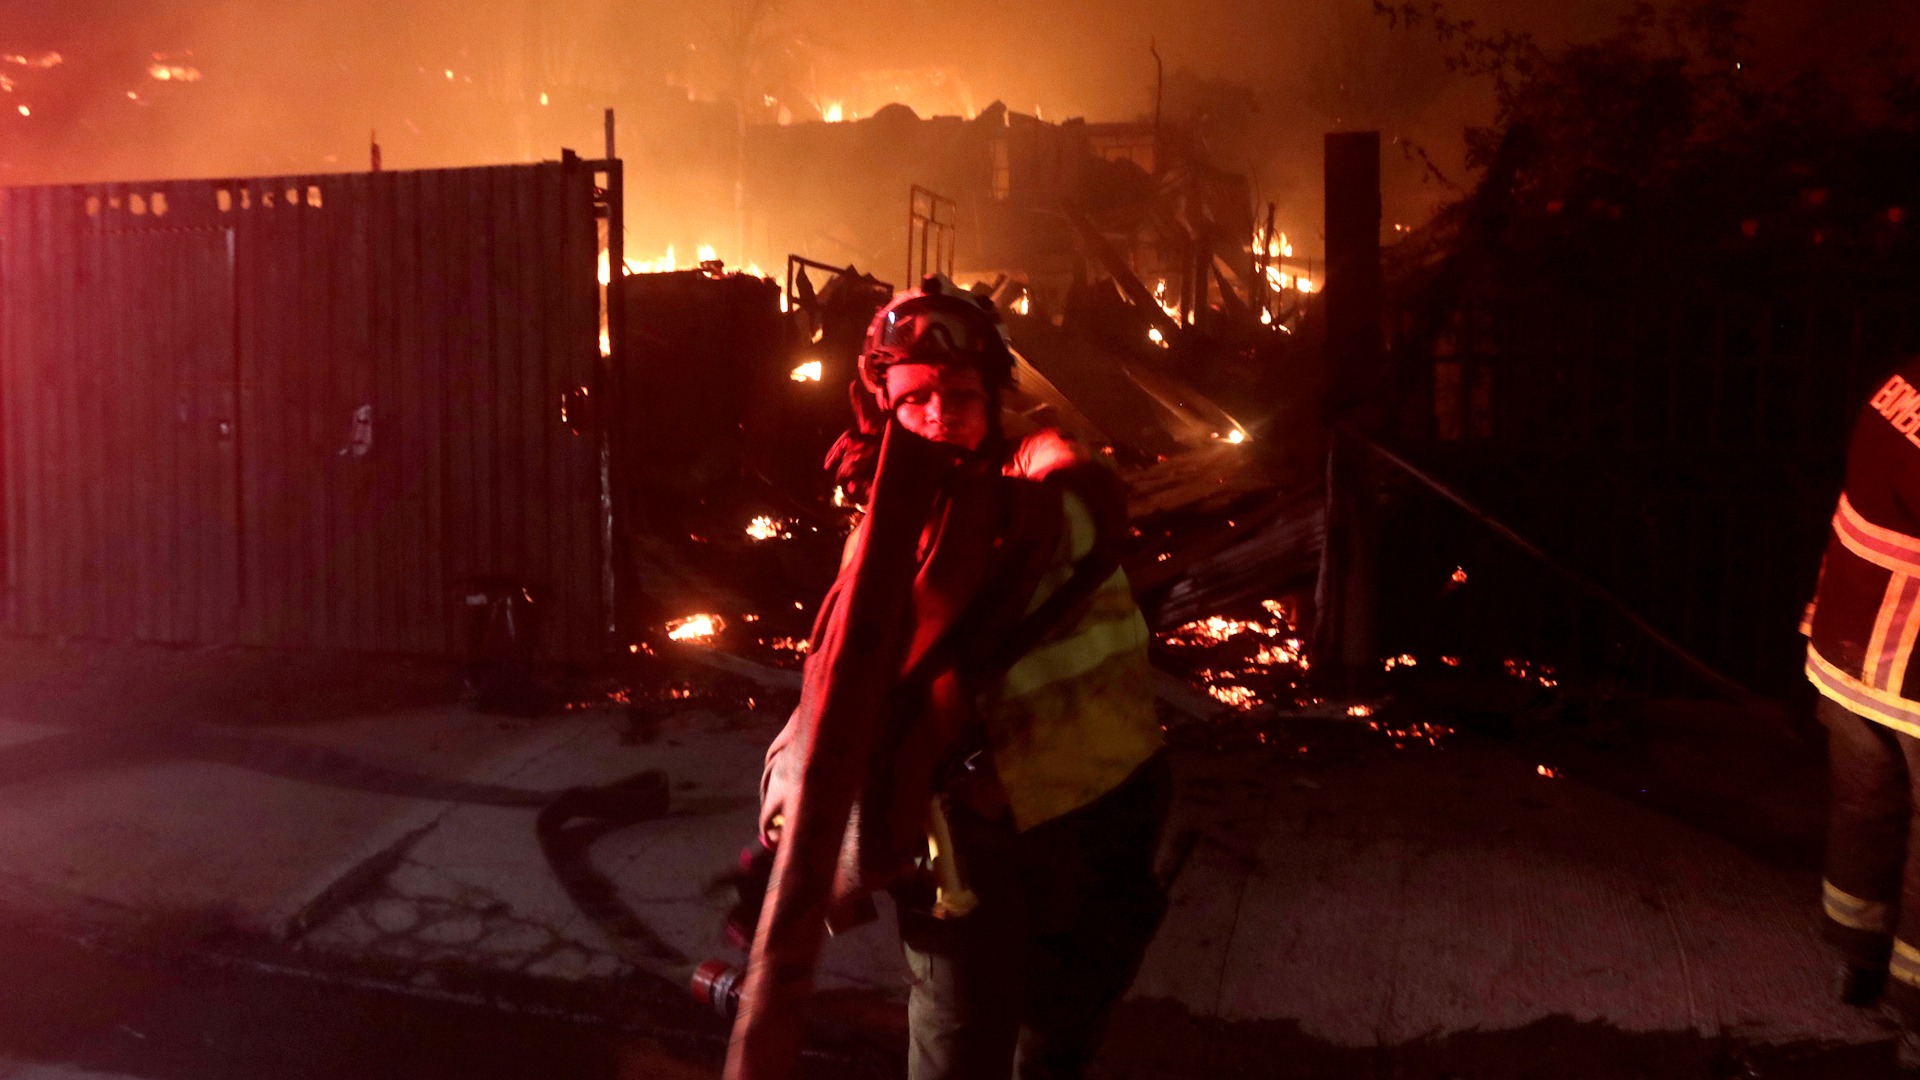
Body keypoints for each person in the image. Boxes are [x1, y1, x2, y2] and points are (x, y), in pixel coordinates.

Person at [758, 277, 1169, 1080]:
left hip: (1104, 816)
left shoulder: (1054, 498)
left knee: (1061, 1033)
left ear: (994, 396)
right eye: (915, 399)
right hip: (974, 849)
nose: (940, 414)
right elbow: (842, 693)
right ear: (883, 408)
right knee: (958, 1049)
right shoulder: (881, 541)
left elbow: (1060, 513)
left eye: (959, 393)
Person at [1805, 354, 1920, 1068]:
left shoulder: (1901, 381)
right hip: (1911, 660)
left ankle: (1853, 960)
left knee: (1863, 805)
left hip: (1847, 646)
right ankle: (1915, 1008)